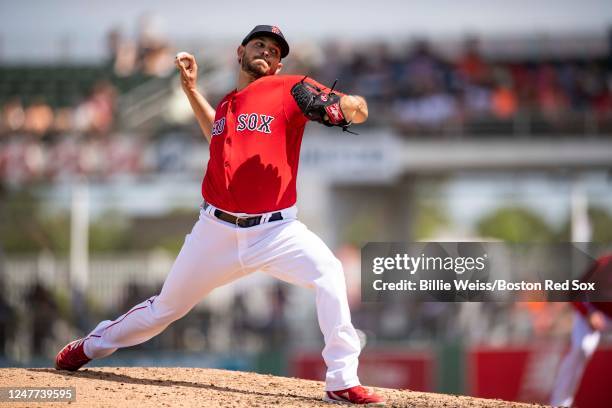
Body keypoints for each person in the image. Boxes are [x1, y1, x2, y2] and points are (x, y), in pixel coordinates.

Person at [55, 25, 385, 406]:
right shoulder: (229, 103)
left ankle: (342, 379)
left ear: (279, 66)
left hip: (276, 231)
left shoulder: (289, 89)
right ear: (240, 52)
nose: (267, 51)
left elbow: (353, 109)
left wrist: (349, 107)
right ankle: (90, 346)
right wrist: (192, 91)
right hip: (214, 232)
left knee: (329, 272)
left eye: (275, 51)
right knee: (164, 309)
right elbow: (218, 133)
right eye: (259, 44)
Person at [550, 254, 612, 407]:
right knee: (581, 347)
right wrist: (589, 313)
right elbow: (573, 292)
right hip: (594, 312)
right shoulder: (604, 264)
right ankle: (560, 403)